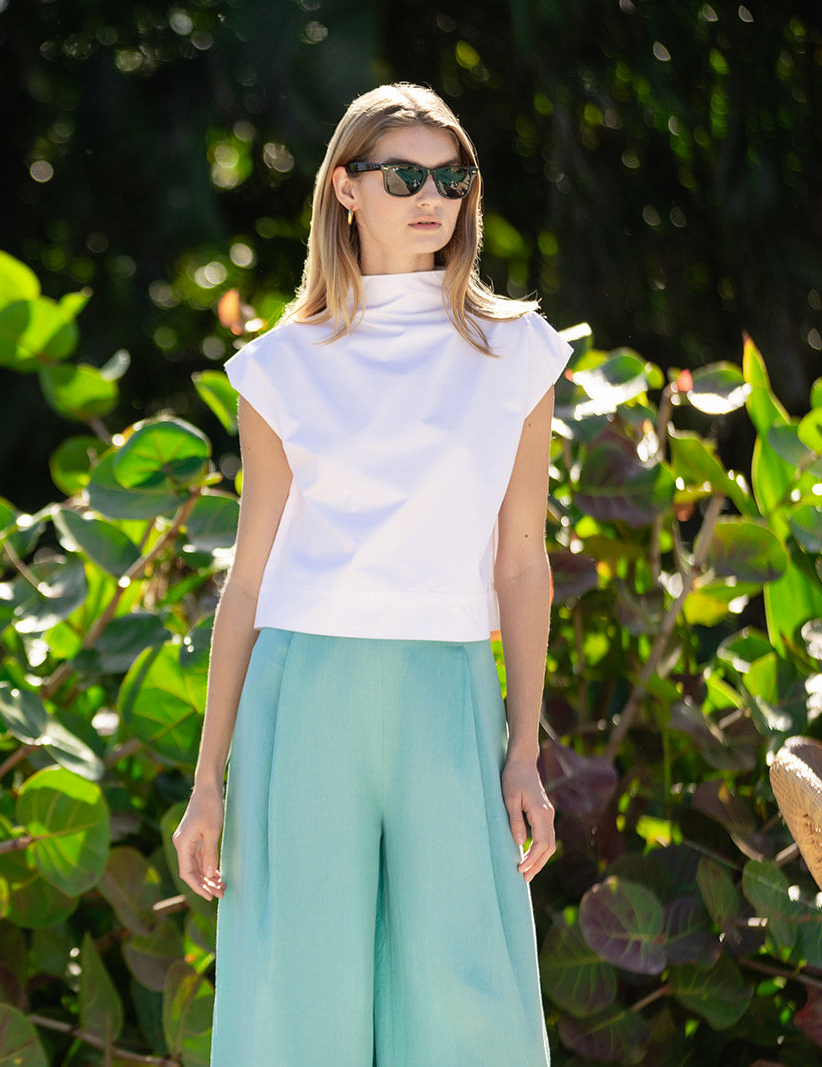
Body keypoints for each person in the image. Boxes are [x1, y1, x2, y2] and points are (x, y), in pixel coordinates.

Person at [171, 82, 571, 1065]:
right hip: (304, 693)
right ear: (345, 189)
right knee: (297, 1004)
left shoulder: (517, 352)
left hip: (449, 692)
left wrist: (524, 748)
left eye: (452, 177)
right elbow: (248, 581)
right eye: (404, 176)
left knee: (469, 1000)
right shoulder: (280, 365)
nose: (432, 197)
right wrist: (206, 781)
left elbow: (523, 562)